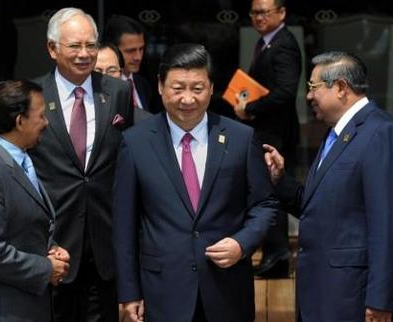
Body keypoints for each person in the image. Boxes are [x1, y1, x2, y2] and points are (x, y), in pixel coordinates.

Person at [112, 43, 278, 322]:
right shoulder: (135, 142)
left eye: (197, 88)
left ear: (212, 88)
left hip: (227, 289)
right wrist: (129, 292)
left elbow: (264, 204)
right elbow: (124, 223)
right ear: (161, 86)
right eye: (178, 88)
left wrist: (241, 244)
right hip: (162, 291)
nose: (187, 99)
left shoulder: (241, 138)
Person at [264, 51, 393, 322]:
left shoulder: (381, 133)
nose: (309, 96)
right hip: (324, 292)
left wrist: (381, 300)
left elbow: (390, 225)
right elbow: (321, 208)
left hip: (354, 297)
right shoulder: (336, 134)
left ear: (341, 88)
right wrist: (279, 180)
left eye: (313, 87)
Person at [29, 7, 133, 322]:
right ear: (52, 49)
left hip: (104, 240)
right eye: (75, 46)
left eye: (91, 45)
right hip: (53, 241)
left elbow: (124, 159)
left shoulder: (117, 91)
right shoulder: (32, 95)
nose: (84, 54)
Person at [0, 80, 70, 322]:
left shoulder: (21, 159)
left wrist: (52, 249)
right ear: (20, 121)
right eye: (40, 116)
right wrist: (45, 268)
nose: (46, 122)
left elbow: (25, 225)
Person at [234, 0, 302, 278]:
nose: (258, 17)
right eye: (254, 13)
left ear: (282, 12)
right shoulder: (266, 42)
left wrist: (250, 109)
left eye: (265, 12)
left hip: (276, 132)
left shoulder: (283, 43)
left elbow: (286, 91)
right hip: (267, 129)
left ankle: (277, 256)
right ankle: (275, 254)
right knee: (267, 188)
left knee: (271, 188)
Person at [103, 14, 153, 112]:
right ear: (113, 50)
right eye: (130, 51)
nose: (138, 57)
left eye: (141, 49)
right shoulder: (101, 86)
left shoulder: (143, 85)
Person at [95, 43, 151, 123]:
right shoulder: (75, 114)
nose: (105, 78)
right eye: (97, 71)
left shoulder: (144, 121)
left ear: (121, 74)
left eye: (111, 71)